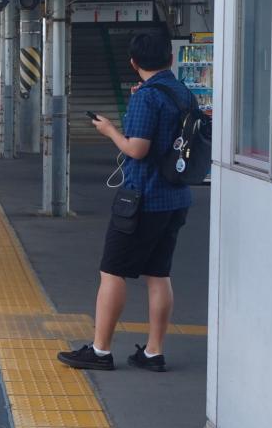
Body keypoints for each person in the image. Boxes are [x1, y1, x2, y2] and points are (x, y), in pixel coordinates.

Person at [58, 32, 194, 373]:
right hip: (176, 197)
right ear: (170, 59)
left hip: (143, 198)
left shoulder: (146, 97)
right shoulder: (182, 92)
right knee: (158, 273)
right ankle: (153, 352)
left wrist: (109, 131)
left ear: (133, 63)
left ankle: (100, 351)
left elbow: (137, 149)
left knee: (112, 271)